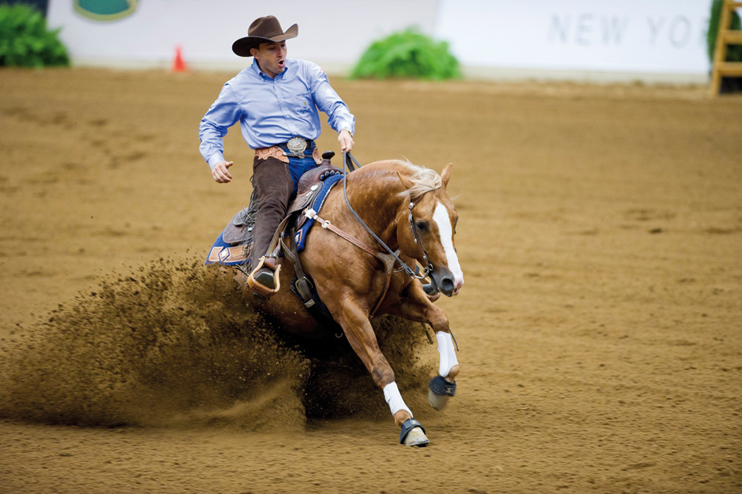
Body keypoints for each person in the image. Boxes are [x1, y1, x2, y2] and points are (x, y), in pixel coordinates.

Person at [199, 15, 355, 297]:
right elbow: (211, 125)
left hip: (313, 159)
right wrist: (215, 159)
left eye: (283, 45)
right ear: (254, 53)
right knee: (273, 200)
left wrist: (344, 127)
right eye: (272, 48)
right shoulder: (238, 87)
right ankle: (262, 269)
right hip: (272, 161)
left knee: (350, 197)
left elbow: (332, 102)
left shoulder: (307, 72)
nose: (281, 52)